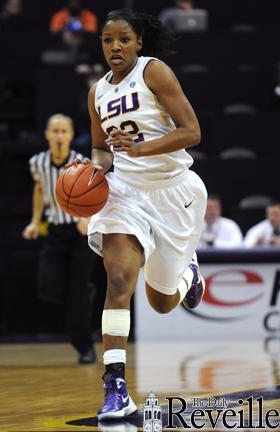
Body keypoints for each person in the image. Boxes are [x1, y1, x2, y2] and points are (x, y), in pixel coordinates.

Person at [71, 8, 207, 419]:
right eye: (108, 40)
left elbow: (192, 132)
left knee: (162, 302)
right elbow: (100, 150)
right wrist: (86, 173)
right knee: (118, 278)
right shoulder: (97, 92)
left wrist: (141, 148)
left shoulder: (155, 72)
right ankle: (115, 386)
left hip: (173, 192)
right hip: (125, 192)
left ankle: (188, 274)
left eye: (124, 39)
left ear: (139, 43)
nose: (115, 46)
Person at [22, 114, 97, 364]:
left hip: (79, 232)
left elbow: (96, 193)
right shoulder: (38, 162)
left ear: (72, 135)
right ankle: (81, 292)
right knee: (47, 286)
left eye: (64, 131)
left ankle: (85, 348)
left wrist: (87, 218)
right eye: (55, 131)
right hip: (55, 230)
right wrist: (34, 221)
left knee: (76, 298)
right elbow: (39, 190)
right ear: (47, 134)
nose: (59, 136)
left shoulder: (82, 162)